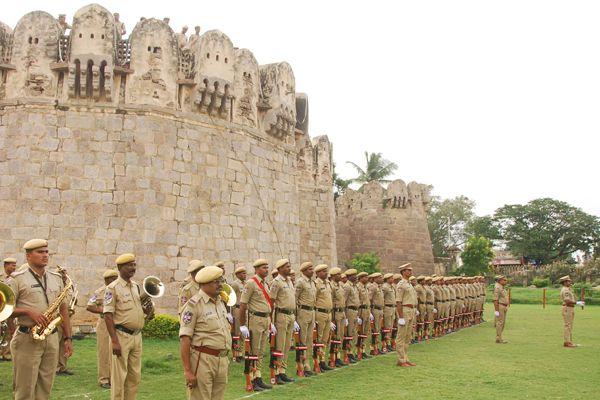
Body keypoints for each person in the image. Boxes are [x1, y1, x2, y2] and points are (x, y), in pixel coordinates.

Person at [7, 239, 73, 399]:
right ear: (28, 256)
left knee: (45, 388)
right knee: (25, 390)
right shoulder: (16, 279)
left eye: (46, 252)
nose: (45, 255)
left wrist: (68, 337)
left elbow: (63, 309)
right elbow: (4, 309)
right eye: (40, 252)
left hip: (50, 339)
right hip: (27, 339)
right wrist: (28, 312)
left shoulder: (56, 278)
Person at [103, 253, 153, 400]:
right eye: (129, 265)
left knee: (134, 377)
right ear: (120, 268)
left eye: (134, 265)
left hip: (137, 336)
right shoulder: (112, 288)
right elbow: (108, 315)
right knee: (119, 377)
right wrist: (114, 341)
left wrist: (147, 311)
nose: (133, 268)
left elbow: (137, 309)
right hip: (121, 336)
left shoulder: (136, 287)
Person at [179, 266, 232, 400]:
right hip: (203, 360)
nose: (220, 285)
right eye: (216, 282)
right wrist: (187, 371)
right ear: (204, 284)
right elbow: (185, 338)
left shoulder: (219, 302)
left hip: (222, 359)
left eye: (221, 281)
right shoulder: (193, 305)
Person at [238, 259, 274, 391]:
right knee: (254, 350)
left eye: (267, 267)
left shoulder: (265, 284)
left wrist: (271, 322)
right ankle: (252, 378)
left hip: (266, 319)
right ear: (257, 269)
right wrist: (242, 325)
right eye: (264, 267)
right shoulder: (251, 283)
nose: (266, 269)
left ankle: (258, 376)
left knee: (261, 350)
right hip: (256, 319)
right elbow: (243, 305)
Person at [87, 269, 119, 389]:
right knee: (104, 351)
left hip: (118, 322)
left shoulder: (119, 290)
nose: (115, 280)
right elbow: (89, 306)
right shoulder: (100, 292)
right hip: (105, 324)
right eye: (113, 278)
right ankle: (104, 379)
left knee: (117, 351)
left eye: (116, 277)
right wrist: (105, 311)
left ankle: (114, 377)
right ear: (106, 280)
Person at [268, 259, 296, 384]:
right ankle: (277, 372)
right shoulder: (276, 282)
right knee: (280, 344)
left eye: (289, 266)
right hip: (281, 315)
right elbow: (271, 302)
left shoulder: (289, 281)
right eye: (286, 267)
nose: (289, 268)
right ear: (279, 269)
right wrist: (271, 321)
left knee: (287, 345)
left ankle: (283, 370)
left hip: (290, 315)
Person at [295, 261, 317, 376]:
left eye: (312, 269)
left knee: (309, 340)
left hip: (311, 312)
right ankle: (301, 365)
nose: (312, 271)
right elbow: (294, 299)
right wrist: (294, 317)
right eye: (309, 269)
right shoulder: (300, 282)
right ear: (303, 271)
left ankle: (307, 363)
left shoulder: (312, 283)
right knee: (302, 339)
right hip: (303, 312)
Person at [395, 263, 416, 367]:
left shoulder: (409, 284)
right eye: (408, 270)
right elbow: (398, 301)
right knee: (401, 337)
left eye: (410, 270)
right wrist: (401, 317)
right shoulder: (401, 284)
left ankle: (405, 358)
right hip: (405, 310)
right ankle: (400, 360)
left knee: (408, 337)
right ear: (403, 272)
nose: (410, 272)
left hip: (411, 310)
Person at [56, 266, 76, 376]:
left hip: (67, 318)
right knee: (56, 344)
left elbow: (71, 300)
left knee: (65, 343)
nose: (64, 276)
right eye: (61, 274)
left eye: (64, 274)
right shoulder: (56, 287)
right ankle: (55, 367)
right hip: (57, 319)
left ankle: (63, 366)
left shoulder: (68, 288)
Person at [314, 264, 334, 371]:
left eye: (326, 271)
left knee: (326, 339)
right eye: (322, 271)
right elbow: (313, 300)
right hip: (320, 313)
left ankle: (323, 360)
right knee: (319, 338)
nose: (325, 273)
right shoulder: (316, 284)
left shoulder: (328, 283)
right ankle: (317, 361)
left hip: (328, 313)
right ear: (317, 273)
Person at [558, 276, 584, 347]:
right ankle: (567, 342)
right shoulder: (565, 290)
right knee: (568, 325)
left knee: (569, 325)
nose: (570, 282)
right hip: (567, 308)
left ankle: (569, 341)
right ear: (565, 282)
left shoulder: (568, 289)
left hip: (570, 308)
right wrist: (577, 303)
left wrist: (577, 302)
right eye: (568, 281)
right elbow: (567, 300)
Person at [329, 267, 347, 367]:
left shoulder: (340, 286)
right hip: (335, 313)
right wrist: (331, 319)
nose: (340, 276)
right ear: (333, 276)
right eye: (338, 274)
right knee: (334, 336)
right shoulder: (331, 286)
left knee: (340, 335)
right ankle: (332, 358)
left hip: (341, 312)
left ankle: (338, 356)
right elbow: (330, 302)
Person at [230, 266, 247, 361]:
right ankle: (235, 355)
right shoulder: (235, 284)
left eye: (245, 273)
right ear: (237, 275)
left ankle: (240, 353)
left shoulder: (246, 284)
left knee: (242, 333)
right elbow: (231, 299)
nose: (245, 275)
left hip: (244, 310)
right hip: (237, 309)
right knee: (236, 333)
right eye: (242, 273)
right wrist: (231, 313)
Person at [1, 257, 16, 361]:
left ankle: (6, 354)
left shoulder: (16, 278)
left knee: (8, 331)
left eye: (15, 265)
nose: (14, 267)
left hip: (10, 308)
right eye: (12, 265)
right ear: (6, 265)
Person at [342, 269, 359, 363]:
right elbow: (343, 301)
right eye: (353, 275)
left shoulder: (354, 286)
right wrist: (344, 316)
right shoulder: (347, 287)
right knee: (349, 333)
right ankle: (348, 353)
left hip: (355, 311)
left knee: (354, 332)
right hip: (349, 311)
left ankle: (352, 352)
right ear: (349, 277)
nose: (355, 277)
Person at [368, 272, 384, 354]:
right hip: (375, 310)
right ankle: (373, 348)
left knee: (378, 329)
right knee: (375, 329)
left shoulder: (379, 287)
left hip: (380, 309)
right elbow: (369, 299)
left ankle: (376, 347)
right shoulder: (373, 287)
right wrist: (369, 312)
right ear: (375, 279)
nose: (382, 279)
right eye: (380, 277)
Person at [381, 273, 396, 351]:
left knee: (391, 326)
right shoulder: (385, 287)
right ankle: (385, 344)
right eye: (391, 278)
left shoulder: (391, 287)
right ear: (387, 279)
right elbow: (382, 298)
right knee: (387, 326)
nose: (393, 279)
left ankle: (389, 343)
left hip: (392, 308)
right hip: (387, 308)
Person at [493, 275, 509, 344]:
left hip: (503, 306)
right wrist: (496, 310)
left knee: (502, 323)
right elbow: (495, 300)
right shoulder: (497, 288)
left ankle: (499, 337)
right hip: (500, 306)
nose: (506, 281)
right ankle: (498, 338)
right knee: (500, 323)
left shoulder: (501, 287)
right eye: (504, 280)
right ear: (500, 280)